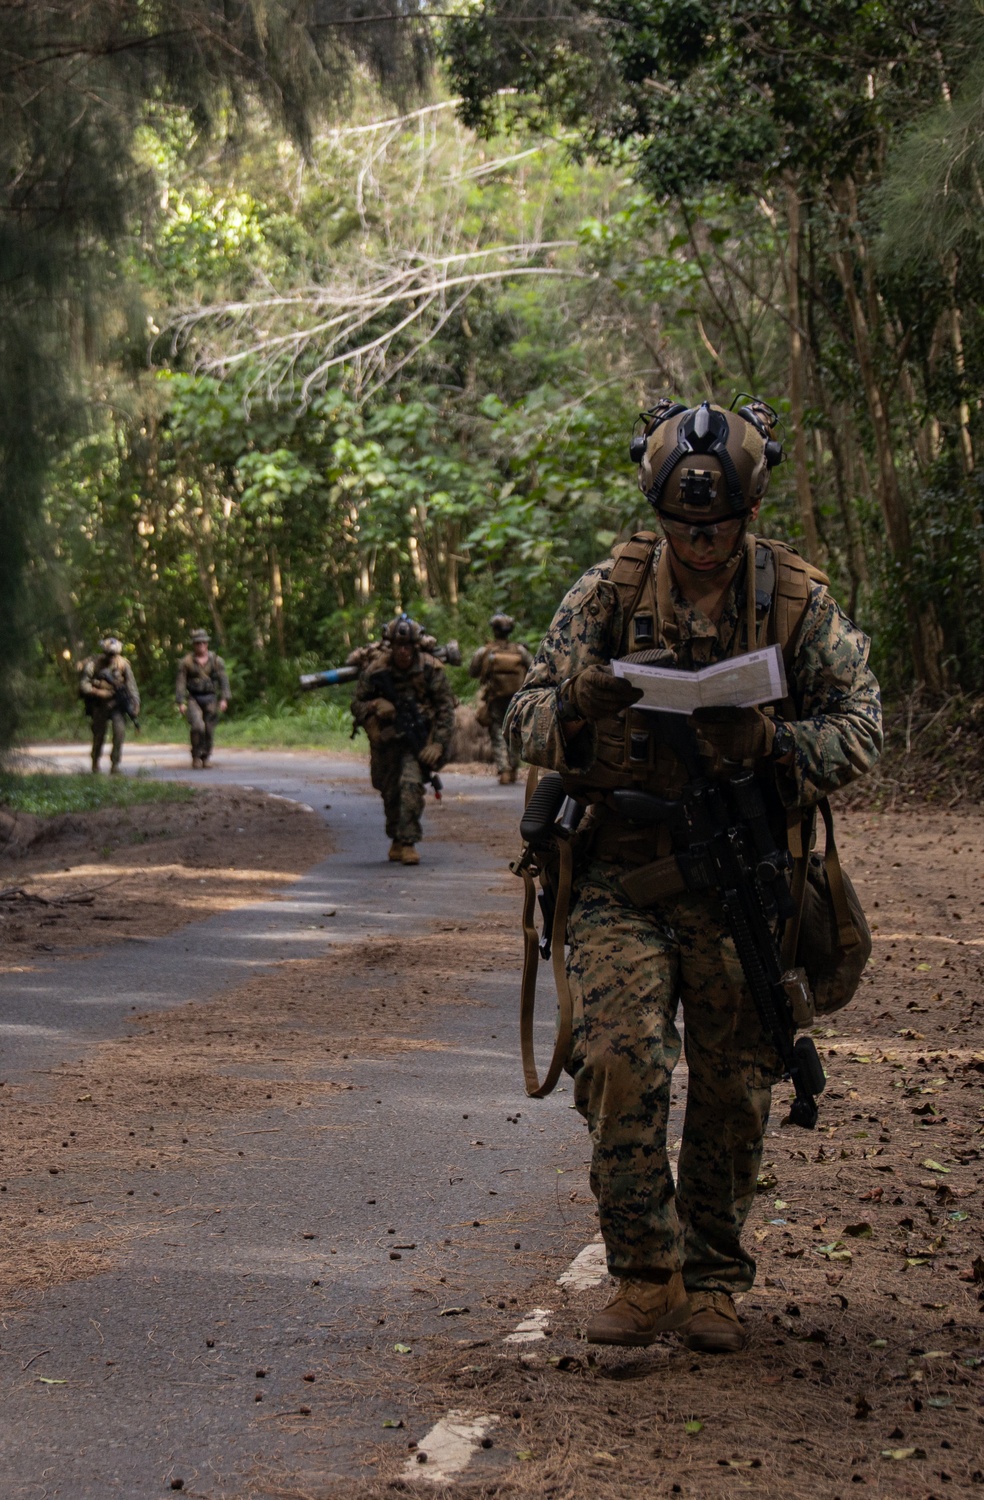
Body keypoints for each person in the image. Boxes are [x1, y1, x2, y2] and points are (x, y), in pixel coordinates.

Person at [505, 397, 882, 1353]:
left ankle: (714, 1274)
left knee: (736, 1084)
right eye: (682, 525)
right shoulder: (609, 592)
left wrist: (777, 742)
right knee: (622, 1062)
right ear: (658, 515)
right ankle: (645, 1274)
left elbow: (864, 727)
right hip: (621, 874)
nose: (700, 542)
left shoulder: (795, 600)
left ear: (748, 515)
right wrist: (576, 708)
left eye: (717, 526)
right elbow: (519, 721)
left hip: (742, 880)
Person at [351, 615, 456, 866]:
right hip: (387, 741)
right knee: (389, 791)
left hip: (417, 739)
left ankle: (409, 841)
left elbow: (445, 710)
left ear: (415, 646)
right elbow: (357, 704)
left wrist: (437, 744)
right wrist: (376, 705)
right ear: (391, 646)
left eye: (408, 646)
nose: (403, 652)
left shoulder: (431, 669)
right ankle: (396, 838)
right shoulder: (376, 670)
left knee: (410, 785)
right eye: (399, 647)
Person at [468, 614, 533, 785]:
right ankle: (513, 768)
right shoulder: (520, 650)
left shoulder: (485, 651)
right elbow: (533, 667)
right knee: (514, 730)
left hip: (495, 697)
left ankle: (503, 769)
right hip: (517, 698)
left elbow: (473, 671)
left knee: (497, 732)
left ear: (494, 630)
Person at [79, 636, 141, 775]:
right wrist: (98, 691)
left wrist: (136, 703)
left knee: (119, 732)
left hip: (117, 705)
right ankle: (95, 762)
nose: (111, 657)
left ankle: (115, 764)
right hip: (99, 705)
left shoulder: (123, 664)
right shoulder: (93, 664)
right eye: (109, 654)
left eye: (114, 655)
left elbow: (131, 686)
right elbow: (84, 685)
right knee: (99, 735)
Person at [175, 629, 231, 769]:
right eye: (197, 643)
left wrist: (224, 699)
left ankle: (206, 756)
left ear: (207, 644)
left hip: (211, 698)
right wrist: (180, 701)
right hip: (194, 698)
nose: (200, 645)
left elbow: (224, 680)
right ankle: (196, 755)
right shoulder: (186, 662)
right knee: (197, 726)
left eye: (203, 642)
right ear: (194, 645)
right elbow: (181, 682)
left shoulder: (216, 661)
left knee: (209, 729)